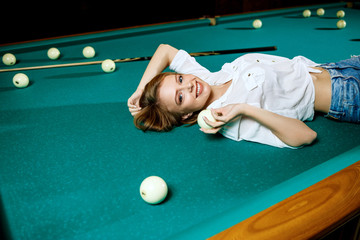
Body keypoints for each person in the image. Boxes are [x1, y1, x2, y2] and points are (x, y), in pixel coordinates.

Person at [128, 44, 360, 148]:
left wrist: (141, 90)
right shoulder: (229, 118)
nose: (188, 86)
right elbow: (306, 136)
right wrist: (244, 109)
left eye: (179, 79)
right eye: (180, 98)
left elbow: (165, 51)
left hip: (341, 66)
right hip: (347, 95)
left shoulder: (208, 79)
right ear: (187, 114)